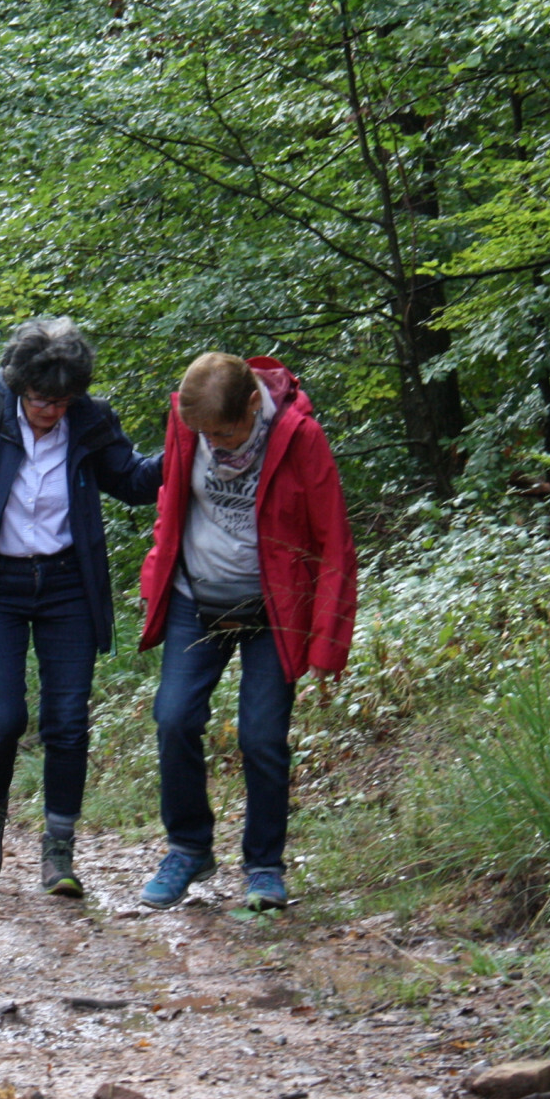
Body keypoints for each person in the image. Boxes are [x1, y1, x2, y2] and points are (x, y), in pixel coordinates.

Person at [0, 317, 162, 897]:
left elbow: (130, 480)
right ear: (20, 385)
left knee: (67, 722)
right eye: (41, 399)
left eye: (62, 401)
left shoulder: (89, 419)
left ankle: (59, 848)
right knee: (3, 718)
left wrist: (185, 450)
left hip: (68, 584)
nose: (51, 411)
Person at [135, 354, 356, 913]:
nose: (215, 443)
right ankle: (188, 848)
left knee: (261, 737)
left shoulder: (300, 437)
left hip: (272, 606)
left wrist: (328, 639)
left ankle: (264, 866)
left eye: (225, 433)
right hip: (196, 598)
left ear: (254, 404)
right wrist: (155, 573)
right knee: (174, 717)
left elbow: (333, 540)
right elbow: (171, 503)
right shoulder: (189, 426)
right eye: (206, 434)